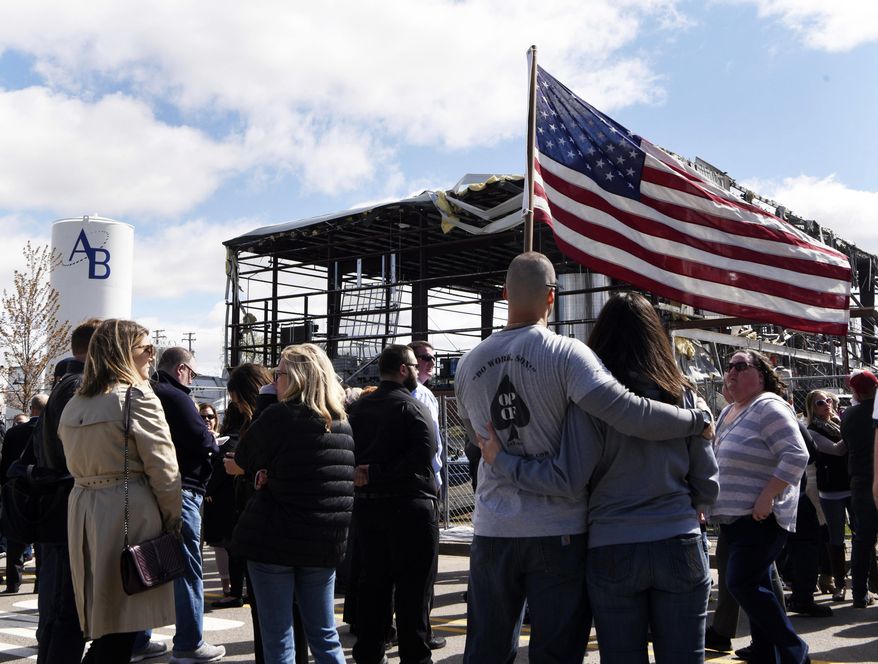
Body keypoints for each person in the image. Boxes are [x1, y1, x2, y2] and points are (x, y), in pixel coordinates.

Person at [453, 252, 712, 664]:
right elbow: (629, 412)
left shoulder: (468, 364)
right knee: (557, 653)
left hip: (492, 527)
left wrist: (503, 461)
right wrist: (694, 422)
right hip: (559, 530)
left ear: (503, 294)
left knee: (485, 650)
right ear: (553, 297)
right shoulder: (567, 355)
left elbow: (478, 439)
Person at [58, 319, 182, 663]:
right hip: (129, 509)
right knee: (124, 621)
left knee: (102, 615)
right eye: (146, 348)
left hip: (84, 510)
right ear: (125, 353)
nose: (151, 357)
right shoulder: (136, 396)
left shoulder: (76, 402)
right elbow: (164, 467)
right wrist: (173, 520)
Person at [230, 344, 354, 664]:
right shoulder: (341, 423)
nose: (275, 380)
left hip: (275, 541)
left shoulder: (279, 416)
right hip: (323, 544)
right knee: (325, 635)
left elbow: (244, 456)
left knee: (279, 638)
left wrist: (267, 400)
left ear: (295, 378)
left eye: (279, 375)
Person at [711, 349, 810, 664]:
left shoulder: (768, 406)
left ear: (762, 375)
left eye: (741, 366)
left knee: (741, 581)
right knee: (757, 583)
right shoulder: (732, 411)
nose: (732, 372)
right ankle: (765, 651)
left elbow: (796, 455)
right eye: (729, 367)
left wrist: (768, 495)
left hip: (760, 517)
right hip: (734, 518)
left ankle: (795, 652)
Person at [348, 344, 439, 664]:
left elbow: (344, 452)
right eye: (416, 365)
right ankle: (416, 656)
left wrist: (365, 474)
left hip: (368, 508)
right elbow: (423, 458)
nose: (419, 370)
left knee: (373, 586)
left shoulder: (357, 409)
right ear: (403, 369)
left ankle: (370, 654)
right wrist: (379, 472)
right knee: (414, 591)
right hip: (411, 508)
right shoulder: (414, 408)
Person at [34, 318, 101, 664]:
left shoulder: (64, 384)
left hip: (55, 504)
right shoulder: (79, 386)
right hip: (67, 507)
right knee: (67, 609)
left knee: (57, 608)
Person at [152, 347, 225, 663]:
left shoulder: (149, 392)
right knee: (187, 568)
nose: (192, 380)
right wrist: (210, 438)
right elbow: (203, 440)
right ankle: (189, 642)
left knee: (154, 567)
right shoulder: (177, 396)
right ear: (181, 368)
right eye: (193, 373)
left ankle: (140, 637)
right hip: (184, 490)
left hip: (154, 490)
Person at [805, 389, 851, 602]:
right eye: (820, 403)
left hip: (850, 483)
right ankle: (839, 583)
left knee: (862, 533)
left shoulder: (838, 422)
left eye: (829, 400)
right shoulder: (813, 429)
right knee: (835, 536)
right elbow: (836, 450)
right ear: (812, 408)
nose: (827, 405)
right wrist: (854, 431)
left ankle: (870, 582)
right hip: (830, 487)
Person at [1, 392, 47, 593]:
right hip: (44, 488)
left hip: (17, 489)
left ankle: (13, 582)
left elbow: (5, 465)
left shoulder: (14, 433)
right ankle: (41, 583)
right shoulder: (51, 431)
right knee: (42, 541)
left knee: (15, 536)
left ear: (32, 409)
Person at [842, 370, 878, 607]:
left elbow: (845, 442)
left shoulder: (849, 415)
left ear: (855, 391)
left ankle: (859, 593)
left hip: (861, 480)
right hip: (872, 476)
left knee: (863, 539)